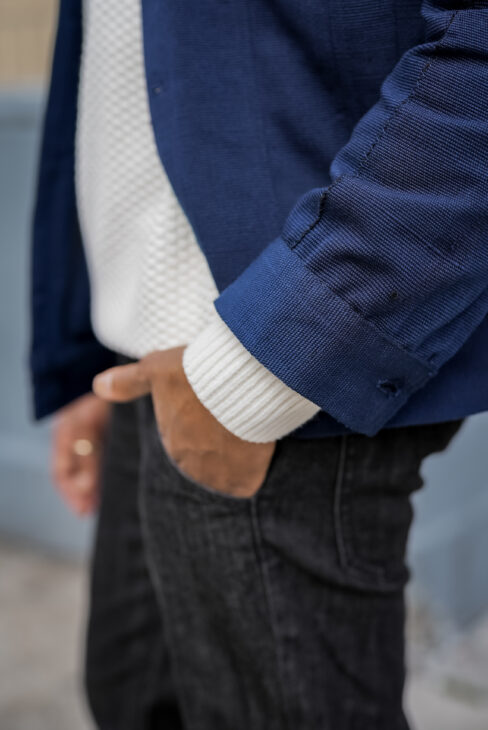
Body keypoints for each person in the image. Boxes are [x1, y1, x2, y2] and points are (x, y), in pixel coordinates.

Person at [30, 0, 487, 728]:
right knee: (134, 697)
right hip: (147, 355)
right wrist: (88, 341)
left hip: (275, 369)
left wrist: (272, 358)